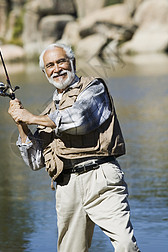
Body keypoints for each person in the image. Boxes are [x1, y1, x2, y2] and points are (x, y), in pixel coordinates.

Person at [8, 43, 140, 252]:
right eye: (50, 65)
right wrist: (21, 124)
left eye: (61, 61)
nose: (57, 68)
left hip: (101, 178)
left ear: (73, 63)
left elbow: (79, 119)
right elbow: (35, 161)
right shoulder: (49, 111)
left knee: (126, 244)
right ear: (45, 73)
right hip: (66, 186)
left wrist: (32, 117)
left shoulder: (93, 88)